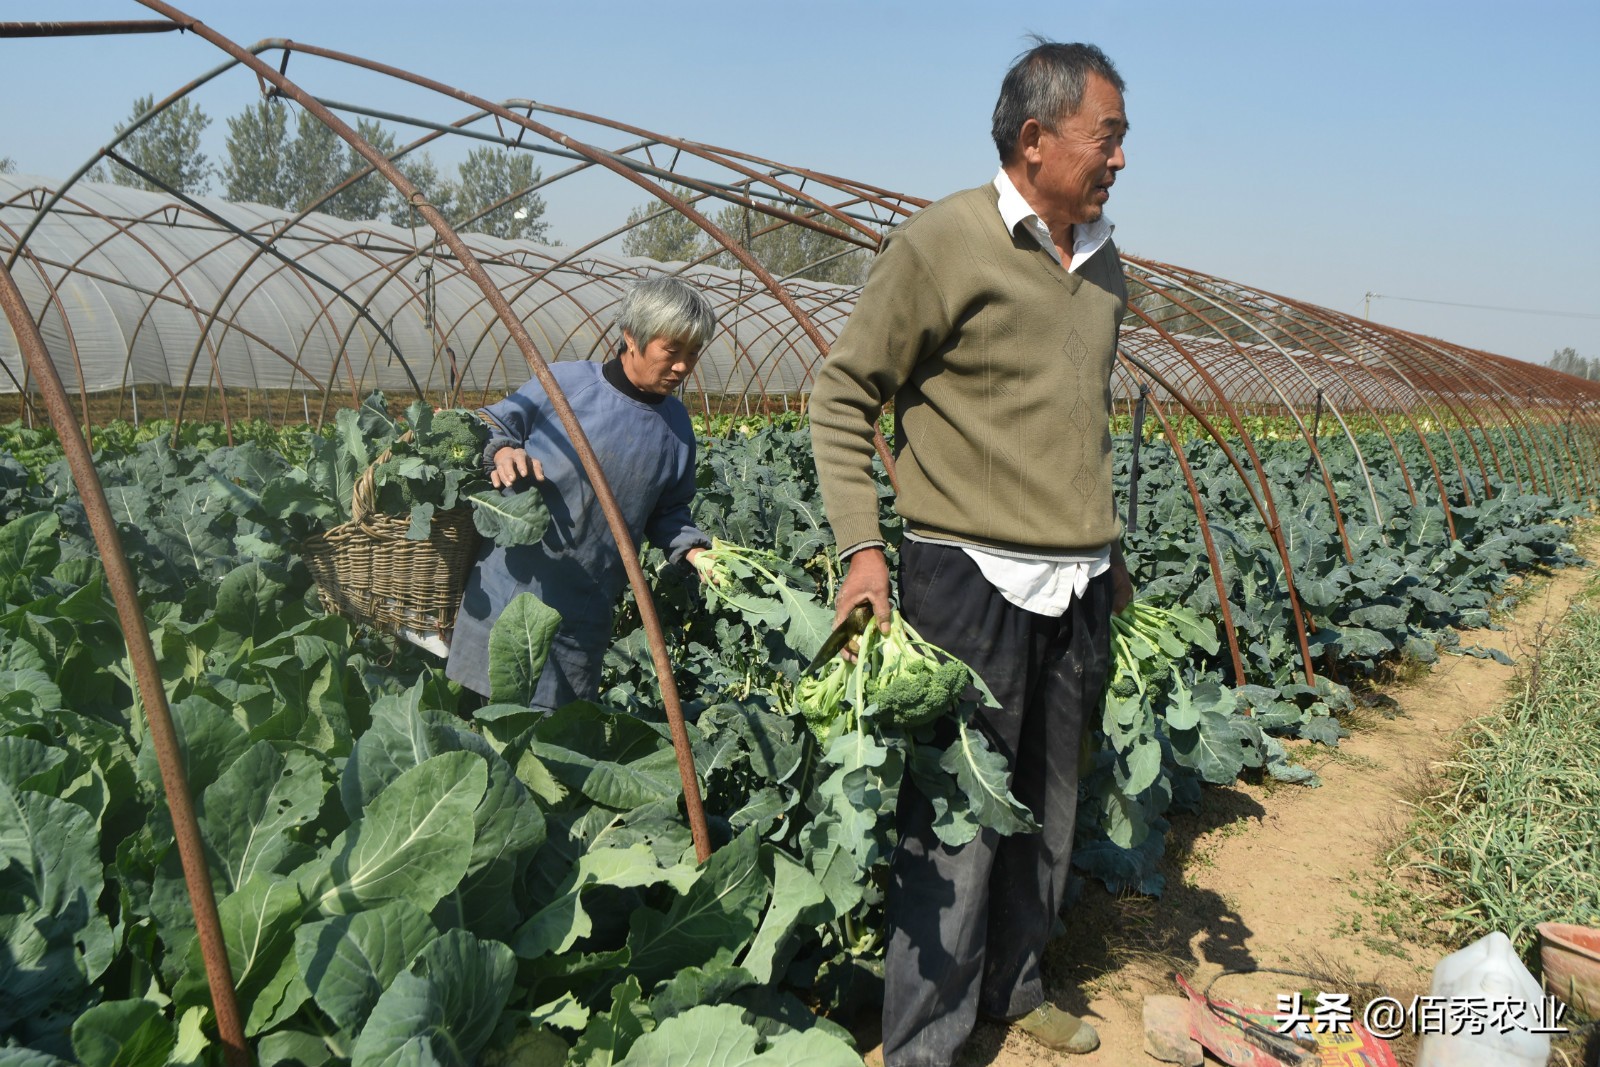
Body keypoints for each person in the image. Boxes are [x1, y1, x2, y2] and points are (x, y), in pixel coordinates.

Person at [808, 39, 1136, 1066]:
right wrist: (863, 550)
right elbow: (842, 393)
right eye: (1107, 138)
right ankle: (924, 1041)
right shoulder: (942, 242)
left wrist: (1106, 544)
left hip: (1075, 579)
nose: (1120, 160)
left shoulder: (1106, 260)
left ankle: (1017, 986)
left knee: (1046, 805)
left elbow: (1075, 421)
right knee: (956, 819)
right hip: (966, 574)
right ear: (1035, 139)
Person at [446, 275, 715, 709]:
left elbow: (668, 513)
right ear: (632, 338)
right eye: (673, 351)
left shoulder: (677, 427)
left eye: (694, 353)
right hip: (504, 597)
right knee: (478, 734)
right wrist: (501, 452)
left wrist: (693, 550)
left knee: (548, 754)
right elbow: (491, 423)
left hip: (580, 619)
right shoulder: (566, 384)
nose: (683, 366)